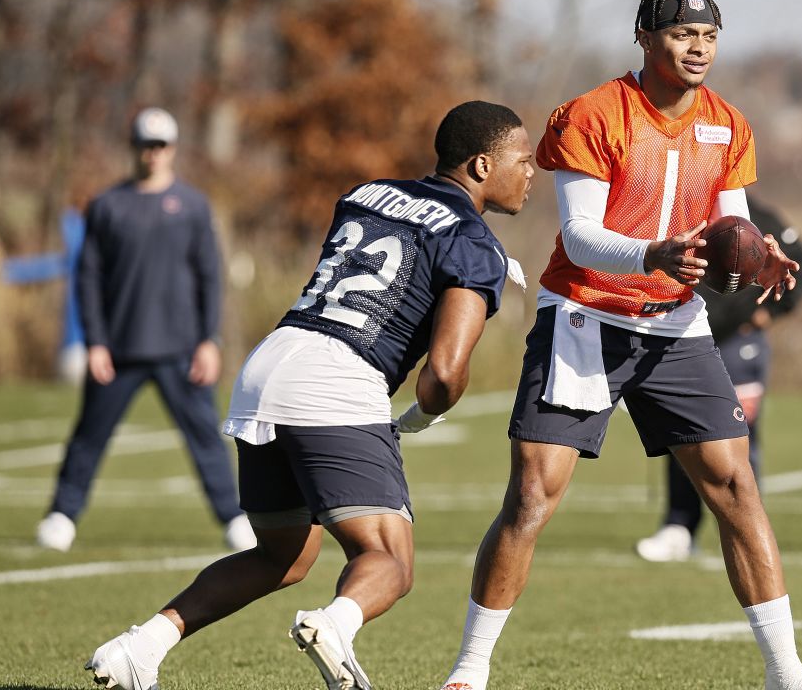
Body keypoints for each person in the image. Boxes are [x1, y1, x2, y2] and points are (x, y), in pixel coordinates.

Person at [439, 0, 802, 690]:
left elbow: (729, 225)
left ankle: (786, 671)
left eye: (709, 37)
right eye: (683, 35)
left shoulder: (729, 124)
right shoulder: (594, 114)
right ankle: (470, 669)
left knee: (737, 488)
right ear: (646, 39)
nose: (698, 49)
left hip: (676, 325)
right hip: (588, 316)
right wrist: (653, 254)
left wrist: (757, 252)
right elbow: (584, 239)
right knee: (532, 495)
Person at [84, 100, 534, 690]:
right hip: (337, 378)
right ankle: (334, 625)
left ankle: (139, 647)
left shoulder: (366, 192)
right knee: (389, 561)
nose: (532, 172)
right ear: (481, 166)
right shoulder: (474, 242)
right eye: (523, 160)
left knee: (285, 555)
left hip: (271, 361)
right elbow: (445, 373)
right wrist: (423, 414)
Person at [36, 107, 254, 553]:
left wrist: (208, 340)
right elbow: (88, 279)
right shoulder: (107, 206)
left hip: (181, 350)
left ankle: (234, 518)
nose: (152, 154)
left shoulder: (193, 205)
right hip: (118, 350)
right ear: (133, 147)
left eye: (161, 146)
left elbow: (209, 277)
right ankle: (62, 515)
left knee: (204, 438)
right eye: (145, 145)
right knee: (89, 436)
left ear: (172, 149)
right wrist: (94, 341)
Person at [637, 198, 802, 562]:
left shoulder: (757, 218)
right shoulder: (682, 211)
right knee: (681, 432)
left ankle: (746, 528)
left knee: (738, 438)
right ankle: (679, 526)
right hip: (688, 337)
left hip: (738, 343)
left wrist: (770, 310)